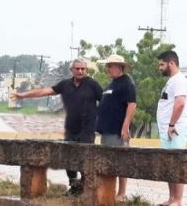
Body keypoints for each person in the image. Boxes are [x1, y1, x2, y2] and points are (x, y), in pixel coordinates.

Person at [11, 58, 102, 196]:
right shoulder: (65, 85)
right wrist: (22, 95)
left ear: (86, 70)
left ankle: (84, 188)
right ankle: (74, 185)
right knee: (68, 159)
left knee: (85, 160)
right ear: (72, 70)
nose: (80, 71)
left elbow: (105, 103)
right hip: (71, 129)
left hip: (87, 130)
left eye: (83, 69)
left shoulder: (93, 85)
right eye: (77, 68)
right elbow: (45, 91)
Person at [95, 54, 136, 202]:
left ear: (119, 67)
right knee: (107, 162)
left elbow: (131, 105)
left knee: (120, 162)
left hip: (117, 131)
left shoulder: (126, 83)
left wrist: (125, 127)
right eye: (108, 65)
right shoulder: (112, 84)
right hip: (106, 130)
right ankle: (108, 192)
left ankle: (122, 193)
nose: (108, 68)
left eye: (110, 65)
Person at [156, 50, 187, 206]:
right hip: (166, 131)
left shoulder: (179, 80)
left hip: (174, 130)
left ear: (171, 63)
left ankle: (178, 200)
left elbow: (180, 103)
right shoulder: (172, 81)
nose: (160, 68)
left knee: (176, 164)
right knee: (169, 166)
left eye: (162, 64)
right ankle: (171, 199)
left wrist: (172, 124)